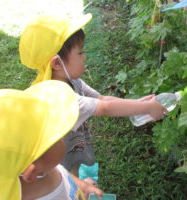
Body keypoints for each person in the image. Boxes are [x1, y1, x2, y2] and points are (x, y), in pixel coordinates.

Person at [19, 14, 167, 176]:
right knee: (64, 180)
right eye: (80, 53)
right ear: (56, 63)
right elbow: (105, 108)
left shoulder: (72, 81)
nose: (85, 57)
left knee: (72, 170)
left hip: (68, 147)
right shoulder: (58, 98)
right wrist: (148, 107)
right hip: (50, 162)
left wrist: (138, 104)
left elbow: (102, 99)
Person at [0, 80, 103, 200]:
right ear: (31, 172)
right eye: (54, 136)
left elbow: (62, 174)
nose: (63, 135)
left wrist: (83, 186)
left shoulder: (42, 166)